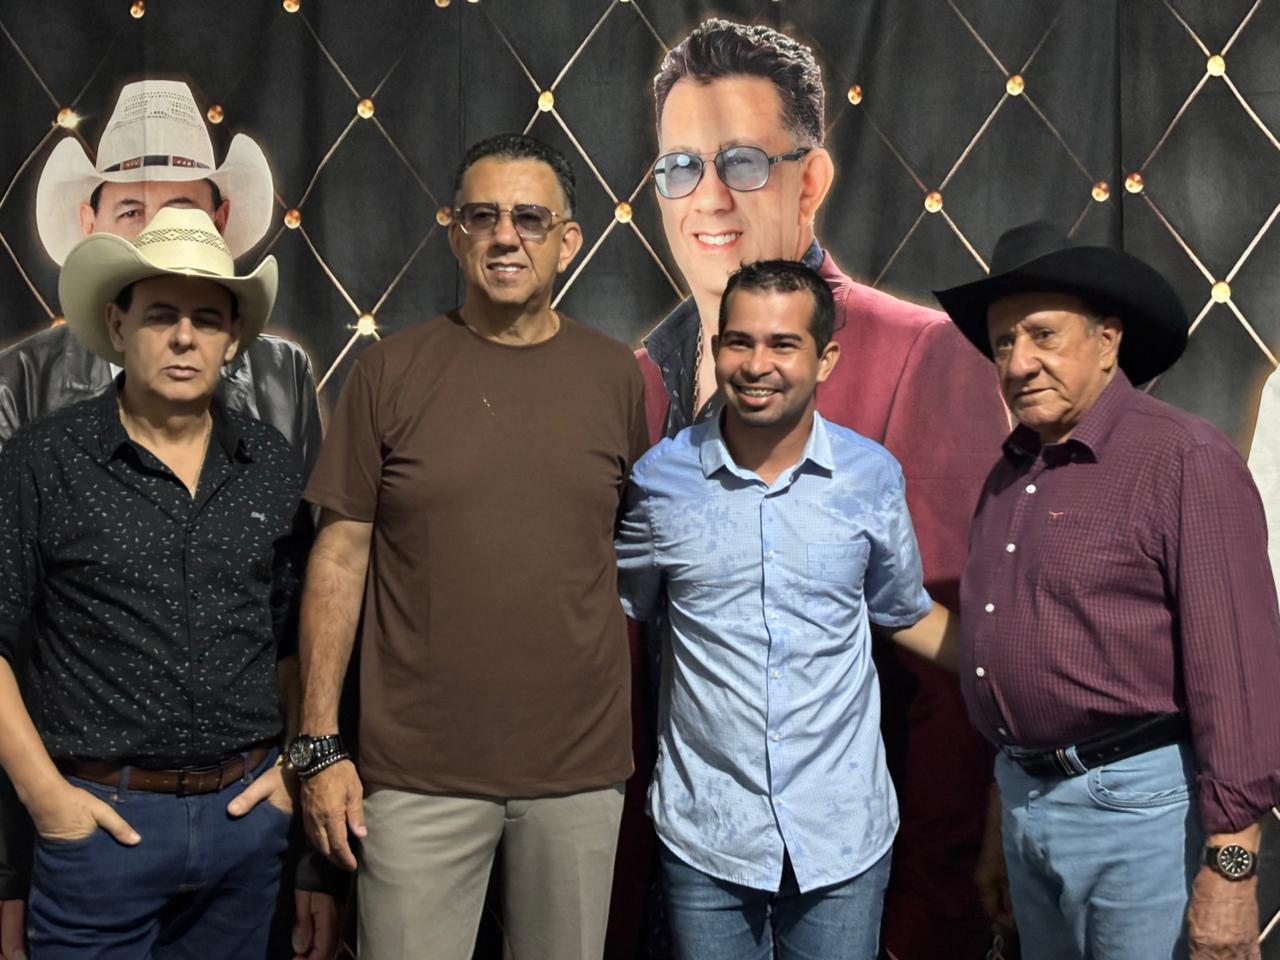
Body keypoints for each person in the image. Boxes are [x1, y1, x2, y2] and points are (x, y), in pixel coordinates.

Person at [618, 18, 1009, 959]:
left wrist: (916, 918)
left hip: (850, 879)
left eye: (744, 161)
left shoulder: (921, 354)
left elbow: (945, 671)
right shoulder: (634, 381)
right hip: (676, 861)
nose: (708, 196)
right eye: (680, 167)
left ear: (812, 180)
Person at [0, 78, 335, 960]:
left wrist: (288, 781)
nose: (184, 337)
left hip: (247, 830)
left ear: (232, 337)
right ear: (118, 326)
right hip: (98, 831)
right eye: (161, 316)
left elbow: (293, 639)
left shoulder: (271, 462)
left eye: (205, 319)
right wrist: (47, 804)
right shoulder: (43, 460)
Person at [294, 133, 648, 960]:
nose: (505, 236)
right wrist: (318, 743)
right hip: (415, 776)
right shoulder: (387, 373)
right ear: (455, 234)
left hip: (578, 773)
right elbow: (338, 560)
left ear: (569, 239)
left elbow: (628, 549)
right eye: (482, 217)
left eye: (530, 218)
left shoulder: (616, 378)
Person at [932, 219, 1280, 959]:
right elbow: (1012, 667)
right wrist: (1003, 816)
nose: (1019, 362)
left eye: (1042, 335)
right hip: (1025, 803)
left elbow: (1239, 681)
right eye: (1003, 343)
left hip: (1138, 813)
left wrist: (1232, 872)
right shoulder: (1008, 479)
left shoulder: (1183, 458)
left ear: (1107, 340)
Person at [617, 259, 969, 959]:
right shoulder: (660, 482)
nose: (757, 365)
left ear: (825, 359)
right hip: (707, 836)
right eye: (739, 342)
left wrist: (1023, 676)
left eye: (783, 344)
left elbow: (904, 613)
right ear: (716, 349)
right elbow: (624, 613)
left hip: (842, 842)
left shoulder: (871, 477)